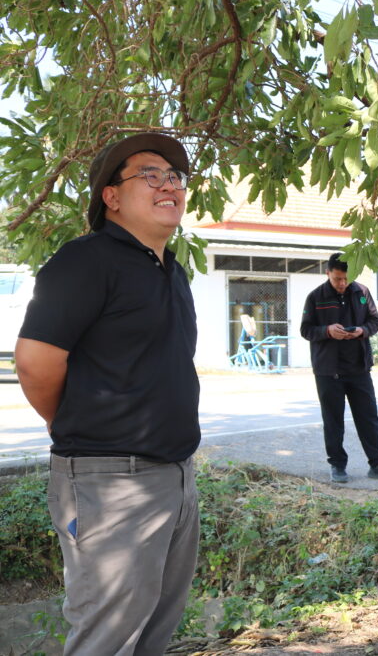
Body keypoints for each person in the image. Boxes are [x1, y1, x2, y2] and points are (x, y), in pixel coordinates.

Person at [15, 133, 201, 655]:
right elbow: (35, 362)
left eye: (174, 176)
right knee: (107, 640)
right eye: (149, 174)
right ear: (111, 196)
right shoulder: (85, 261)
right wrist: (70, 423)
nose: (168, 185)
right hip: (110, 483)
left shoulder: (172, 271)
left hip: (175, 477)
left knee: (154, 634)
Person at [300, 253, 378, 483]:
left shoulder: (362, 292)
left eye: (347, 278)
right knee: (333, 421)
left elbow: (374, 322)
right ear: (328, 273)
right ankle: (337, 465)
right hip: (328, 370)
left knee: (368, 418)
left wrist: (361, 331)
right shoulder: (315, 297)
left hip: (359, 367)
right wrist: (327, 331)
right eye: (337, 278)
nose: (342, 283)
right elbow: (306, 330)